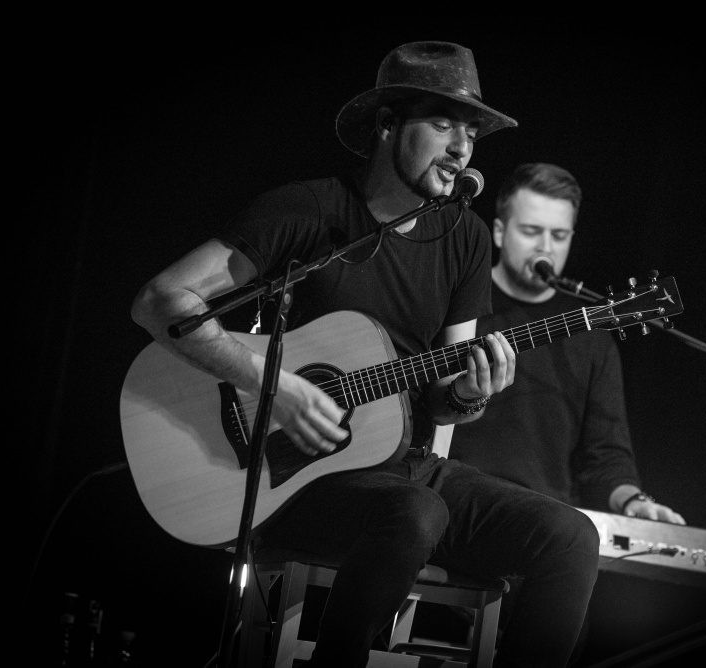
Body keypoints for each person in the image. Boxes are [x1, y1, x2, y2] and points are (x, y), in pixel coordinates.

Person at [130, 43, 600, 668]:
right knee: (415, 513)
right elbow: (162, 302)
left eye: (471, 134)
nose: (461, 149)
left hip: (405, 467)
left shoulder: (464, 237)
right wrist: (279, 387)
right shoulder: (308, 211)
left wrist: (467, 395)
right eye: (443, 124)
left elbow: (445, 393)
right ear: (386, 125)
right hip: (290, 477)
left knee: (569, 536)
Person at [448, 162, 685, 660]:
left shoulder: (592, 338)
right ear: (499, 231)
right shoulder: (460, 304)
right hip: (456, 505)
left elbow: (605, 456)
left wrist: (634, 502)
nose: (546, 247)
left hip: (542, 529)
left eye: (559, 235)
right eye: (531, 231)